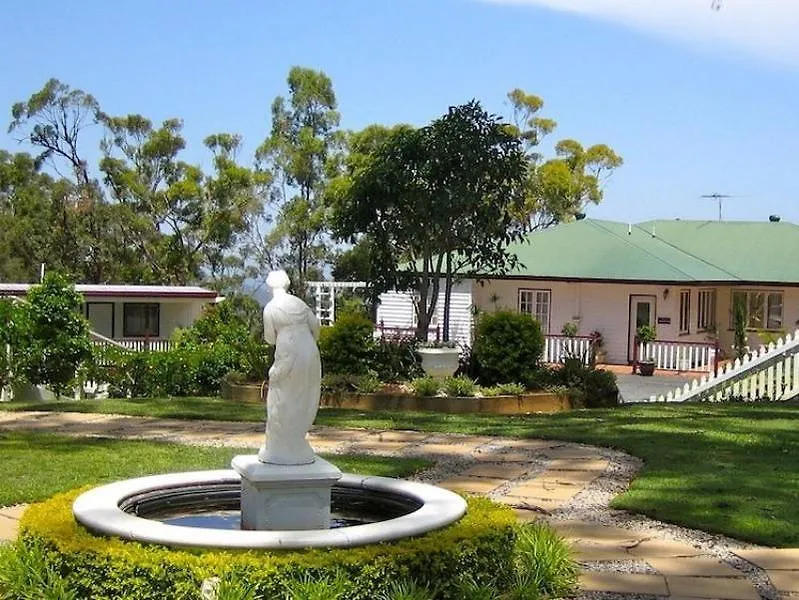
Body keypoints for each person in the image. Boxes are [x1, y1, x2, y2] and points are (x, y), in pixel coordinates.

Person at [258, 270, 321, 465]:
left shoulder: (270, 308)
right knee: (305, 394)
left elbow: (269, 338)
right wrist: (306, 341)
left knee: (282, 396)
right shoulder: (299, 304)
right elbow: (316, 326)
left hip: (288, 352)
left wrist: (287, 336)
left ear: (270, 287)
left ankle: (280, 446)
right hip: (310, 351)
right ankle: (296, 441)